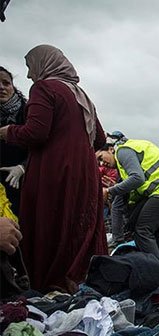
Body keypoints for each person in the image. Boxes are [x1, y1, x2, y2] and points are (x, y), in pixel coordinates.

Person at [0, 45, 107, 293]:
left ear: (42, 64)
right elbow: (100, 138)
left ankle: (52, 284)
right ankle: (82, 282)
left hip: (55, 170)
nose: (28, 76)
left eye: (29, 68)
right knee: (80, 226)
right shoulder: (80, 94)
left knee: (52, 224)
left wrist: (8, 133)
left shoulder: (44, 87)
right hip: (85, 173)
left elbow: (36, 132)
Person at [96, 135, 159, 264]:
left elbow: (138, 178)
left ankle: (155, 270)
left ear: (110, 149)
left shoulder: (122, 152)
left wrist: (109, 191)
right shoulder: (123, 168)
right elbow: (118, 204)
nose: (102, 164)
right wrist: (118, 241)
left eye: (101, 158)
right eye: (99, 163)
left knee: (142, 229)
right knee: (155, 222)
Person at [0, 66, 28, 215]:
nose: (1, 87)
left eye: (6, 83)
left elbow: (40, 146)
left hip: (21, 184)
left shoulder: (28, 111)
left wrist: (23, 167)